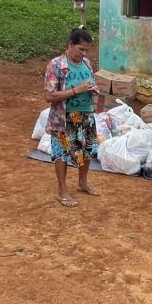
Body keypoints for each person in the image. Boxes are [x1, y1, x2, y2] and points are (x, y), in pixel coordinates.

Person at [43, 28, 101, 208]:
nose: (83, 53)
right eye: (80, 49)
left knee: (87, 149)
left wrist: (94, 93)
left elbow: (92, 85)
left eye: (86, 50)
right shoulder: (56, 65)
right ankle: (62, 191)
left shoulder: (87, 64)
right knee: (62, 152)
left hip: (86, 114)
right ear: (70, 45)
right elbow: (49, 96)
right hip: (63, 118)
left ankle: (82, 182)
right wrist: (76, 90)